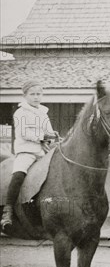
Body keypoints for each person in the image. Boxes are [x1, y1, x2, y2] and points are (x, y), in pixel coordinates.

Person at [1, 81, 58, 229]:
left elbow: (49, 133)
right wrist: (43, 136)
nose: (36, 97)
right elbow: (24, 133)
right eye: (32, 94)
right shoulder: (20, 113)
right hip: (26, 152)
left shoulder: (43, 112)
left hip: (42, 152)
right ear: (25, 95)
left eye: (38, 94)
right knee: (19, 174)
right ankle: (8, 210)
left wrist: (54, 137)